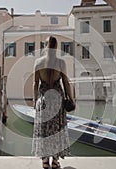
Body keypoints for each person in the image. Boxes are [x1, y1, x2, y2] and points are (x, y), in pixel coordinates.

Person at [31, 36, 75, 169]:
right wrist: (71, 98)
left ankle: (45, 160)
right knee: (57, 131)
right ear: (56, 47)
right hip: (57, 101)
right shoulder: (61, 63)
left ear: (45, 46)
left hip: (43, 100)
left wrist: (34, 101)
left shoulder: (38, 62)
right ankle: (55, 161)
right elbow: (66, 82)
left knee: (43, 131)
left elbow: (35, 83)